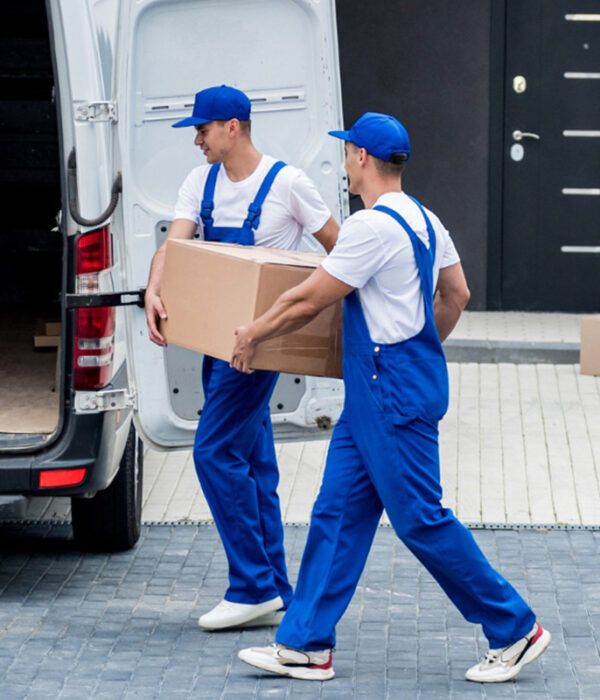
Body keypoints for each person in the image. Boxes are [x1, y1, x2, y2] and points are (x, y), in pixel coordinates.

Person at [232, 112, 551, 682]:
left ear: (361, 157)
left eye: (347, 152)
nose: (344, 162)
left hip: (388, 391)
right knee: (337, 512)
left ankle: (515, 629)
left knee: (420, 519)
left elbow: (308, 299)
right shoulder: (426, 220)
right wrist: (419, 345)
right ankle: (305, 644)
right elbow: (457, 293)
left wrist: (252, 334)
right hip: (384, 387)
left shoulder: (370, 228)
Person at [145, 85, 339, 631]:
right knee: (254, 465)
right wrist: (154, 288)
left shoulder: (288, 184)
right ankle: (275, 588)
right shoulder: (199, 182)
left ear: (233, 126)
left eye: (202, 130)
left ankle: (251, 586)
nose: (197, 140)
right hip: (215, 344)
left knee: (212, 453)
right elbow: (173, 247)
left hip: (259, 347)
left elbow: (340, 251)